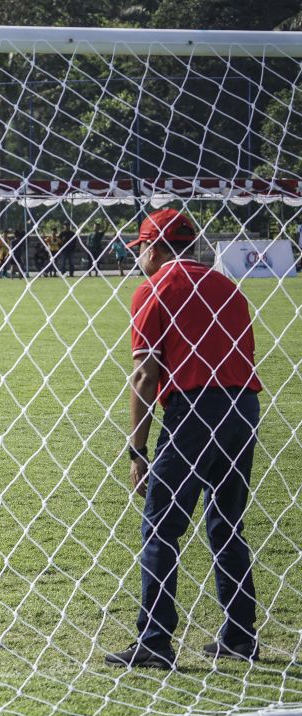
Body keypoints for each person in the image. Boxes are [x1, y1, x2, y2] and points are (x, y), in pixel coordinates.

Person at [105, 209, 262, 669]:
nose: (140, 262)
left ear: (153, 248)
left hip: (194, 411)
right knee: (226, 524)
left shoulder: (154, 289)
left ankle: (154, 641)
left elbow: (144, 373)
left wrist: (137, 447)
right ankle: (240, 633)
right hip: (243, 407)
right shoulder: (228, 286)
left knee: (161, 527)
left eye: (141, 252)